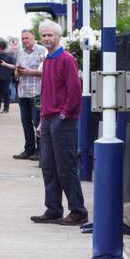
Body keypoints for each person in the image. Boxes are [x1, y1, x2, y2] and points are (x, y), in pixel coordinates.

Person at [31, 20, 87, 226]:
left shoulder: (66, 59)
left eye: (50, 35)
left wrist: (64, 114)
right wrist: (42, 119)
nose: (46, 39)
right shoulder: (48, 60)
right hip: (48, 119)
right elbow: (46, 91)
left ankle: (78, 211)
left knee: (66, 166)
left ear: (58, 36)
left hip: (63, 120)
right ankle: (53, 209)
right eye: (43, 35)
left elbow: (74, 91)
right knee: (48, 166)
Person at [13, 28, 47, 160]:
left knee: (37, 122)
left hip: (36, 93)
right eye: (23, 38)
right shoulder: (20, 53)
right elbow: (16, 70)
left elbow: (46, 72)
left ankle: (40, 151)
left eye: (27, 38)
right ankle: (29, 150)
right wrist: (17, 73)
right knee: (25, 122)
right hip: (23, 93)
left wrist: (29, 72)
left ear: (33, 38)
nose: (24, 41)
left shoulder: (42, 51)